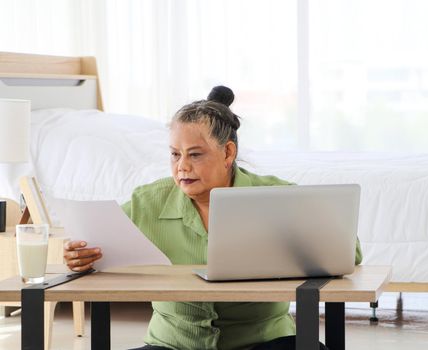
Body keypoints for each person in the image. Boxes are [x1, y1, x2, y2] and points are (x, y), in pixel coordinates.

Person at [63, 86, 363, 350]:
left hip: (263, 342)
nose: (182, 166)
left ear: (228, 152)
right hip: (173, 344)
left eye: (195, 155)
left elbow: (350, 250)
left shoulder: (274, 196)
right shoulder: (146, 203)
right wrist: (79, 255)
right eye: (174, 154)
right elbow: (96, 246)